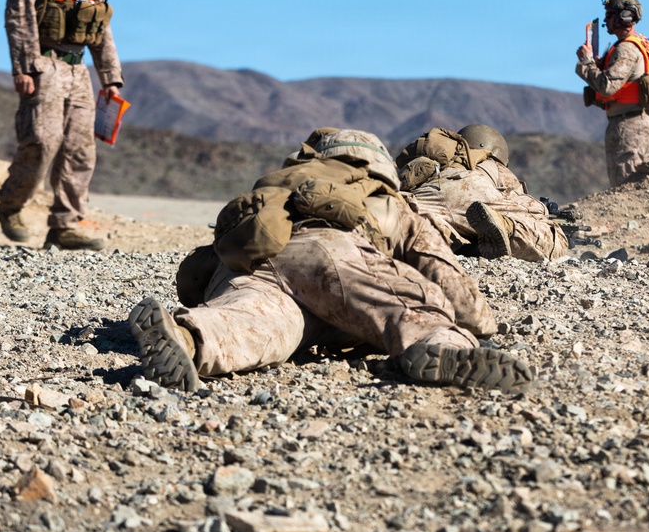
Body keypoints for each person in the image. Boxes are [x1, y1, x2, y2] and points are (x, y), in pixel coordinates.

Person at [128, 128, 535, 393]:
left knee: (259, 325)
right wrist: (480, 325)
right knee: (407, 304)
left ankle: (189, 336)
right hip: (325, 251)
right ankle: (443, 347)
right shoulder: (379, 194)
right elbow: (440, 269)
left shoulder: (278, 186)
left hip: (243, 263)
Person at [0, 0, 124, 250]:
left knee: (80, 151)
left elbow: (101, 30)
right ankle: (10, 206)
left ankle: (65, 224)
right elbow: (19, 19)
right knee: (42, 141)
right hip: (44, 66)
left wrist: (110, 77)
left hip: (78, 70)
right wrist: (23, 68)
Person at [397, 125, 570, 261]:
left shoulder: (434, 162)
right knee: (552, 235)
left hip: (420, 198)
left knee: (437, 223)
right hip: (468, 191)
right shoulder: (491, 164)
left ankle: (464, 247)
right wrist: (543, 211)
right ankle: (506, 228)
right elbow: (523, 203)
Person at [574, 0, 649, 187]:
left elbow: (607, 86)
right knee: (632, 185)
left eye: (610, 15)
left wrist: (587, 62)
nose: (606, 21)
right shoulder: (634, 45)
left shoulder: (626, 50)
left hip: (630, 125)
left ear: (625, 17)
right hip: (633, 122)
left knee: (625, 185)